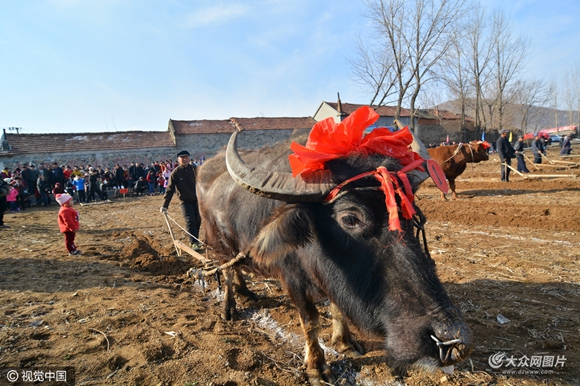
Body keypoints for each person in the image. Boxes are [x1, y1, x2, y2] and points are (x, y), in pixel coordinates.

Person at [160, 150, 203, 250]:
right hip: (185, 201)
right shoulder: (175, 173)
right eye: (182, 158)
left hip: (197, 200)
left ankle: (196, 240)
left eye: (186, 157)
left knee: (198, 220)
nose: (184, 159)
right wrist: (165, 205)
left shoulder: (195, 169)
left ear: (189, 158)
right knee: (190, 221)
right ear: (178, 160)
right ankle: (193, 242)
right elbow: (170, 190)